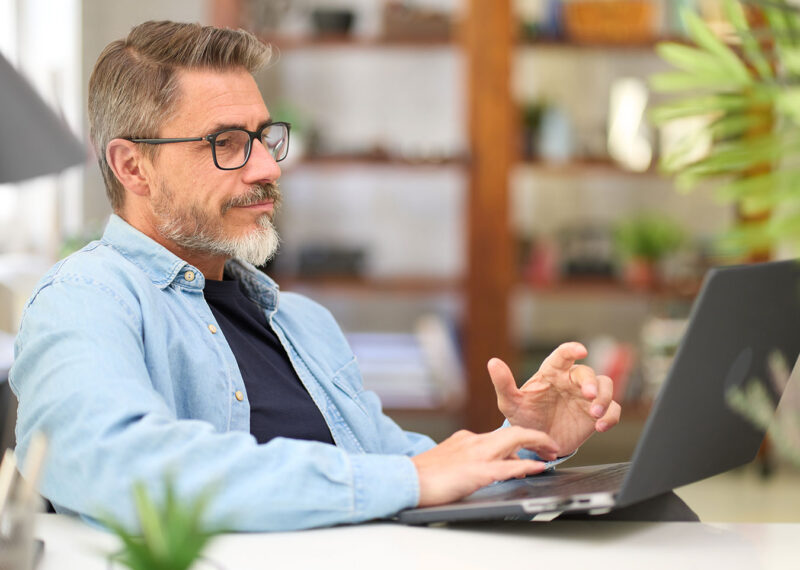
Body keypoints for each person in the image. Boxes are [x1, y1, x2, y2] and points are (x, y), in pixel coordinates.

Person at [9, 21, 621, 531]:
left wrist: (528, 441)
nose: (264, 168)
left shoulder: (301, 321)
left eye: (263, 137)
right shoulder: (87, 299)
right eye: (225, 143)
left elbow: (413, 469)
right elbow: (117, 467)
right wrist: (409, 479)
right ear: (132, 165)